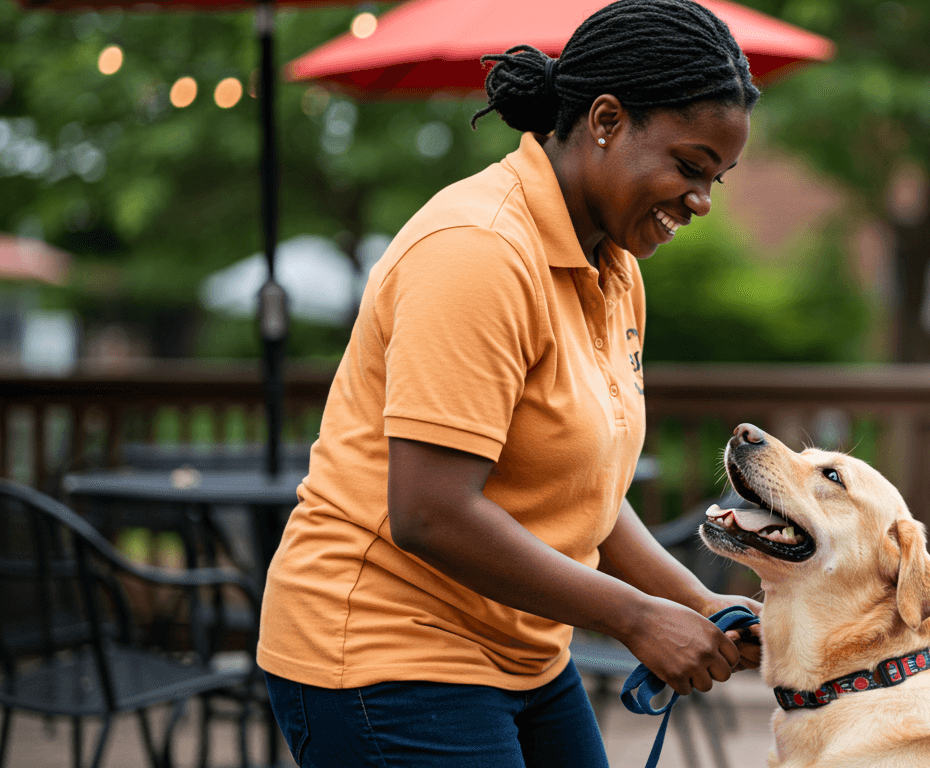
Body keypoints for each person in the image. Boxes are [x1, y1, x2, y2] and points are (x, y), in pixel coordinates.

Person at [256, 0, 762, 765]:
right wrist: (635, 619)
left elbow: (586, 491)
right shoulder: (478, 251)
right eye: (689, 167)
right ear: (605, 120)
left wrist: (695, 601)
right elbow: (430, 511)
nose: (701, 200)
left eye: (716, 178)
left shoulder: (614, 265)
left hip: (522, 651)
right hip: (384, 652)